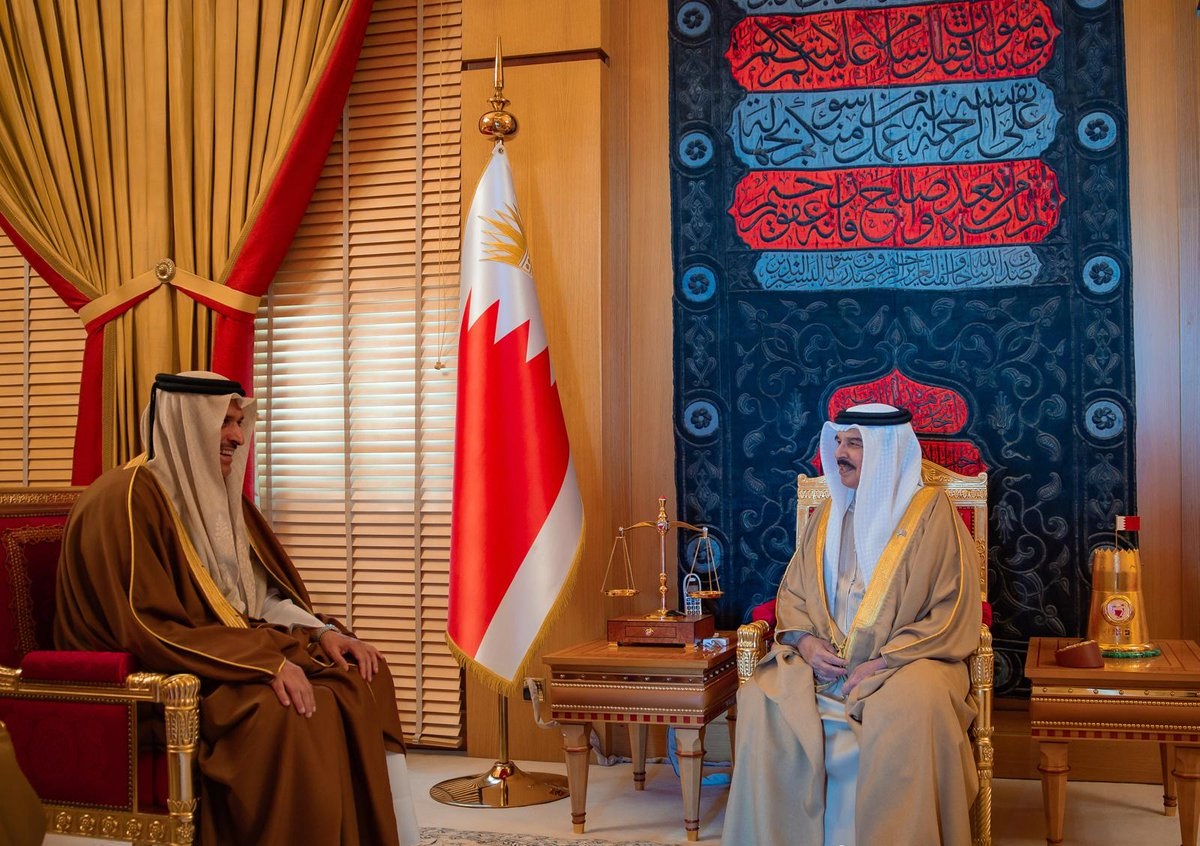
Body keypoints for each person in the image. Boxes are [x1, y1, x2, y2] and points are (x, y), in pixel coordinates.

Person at [54, 371, 420, 846]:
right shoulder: (123, 500)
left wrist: (321, 632)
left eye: (237, 423)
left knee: (359, 675)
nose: (236, 436)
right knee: (289, 710)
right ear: (187, 422)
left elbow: (254, 597)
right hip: (152, 677)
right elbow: (144, 625)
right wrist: (264, 662)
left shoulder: (219, 496)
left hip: (216, 653)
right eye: (223, 422)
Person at [721, 403, 981, 846]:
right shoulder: (828, 514)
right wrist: (806, 644)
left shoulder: (932, 515)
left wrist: (883, 662)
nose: (839, 453)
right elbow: (793, 594)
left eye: (854, 444)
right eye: (838, 441)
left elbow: (951, 608)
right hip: (823, 663)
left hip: (906, 662)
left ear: (886, 451)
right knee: (762, 696)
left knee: (915, 707)